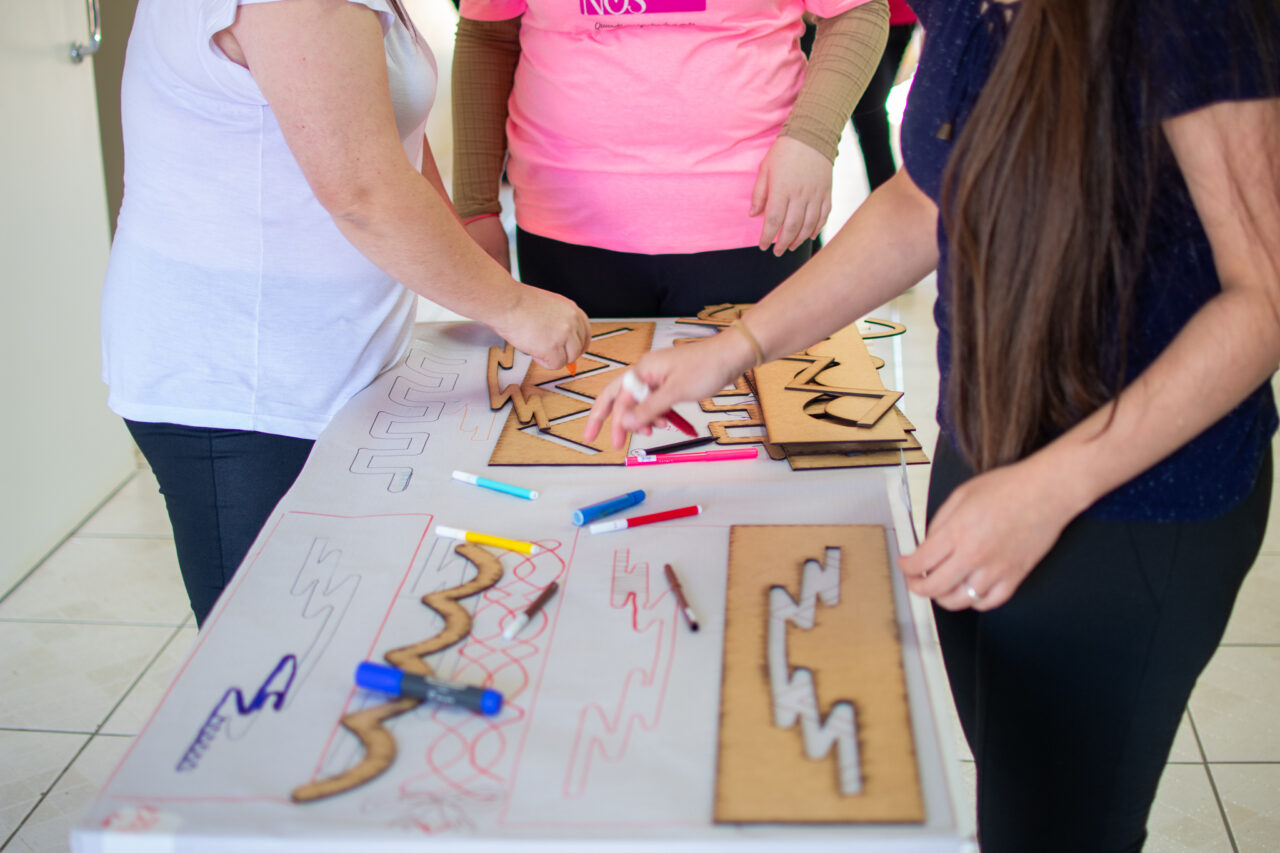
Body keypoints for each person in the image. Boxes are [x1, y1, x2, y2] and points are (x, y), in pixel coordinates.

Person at [584, 0, 1280, 849]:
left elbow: (1264, 297)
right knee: (1014, 792)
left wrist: (1051, 484)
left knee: (1060, 826)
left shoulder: (1190, 18)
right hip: (987, 451)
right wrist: (739, 347)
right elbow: (922, 202)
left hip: (1136, 497)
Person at [101, 0, 589, 627]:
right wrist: (514, 305)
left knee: (339, 626)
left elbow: (390, 145)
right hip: (242, 383)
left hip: (323, 366)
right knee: (268, 656)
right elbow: (363, 192)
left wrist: (482, 278)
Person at [450, 0, 891, 318]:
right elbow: (488, 34)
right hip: (565, 220)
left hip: (755, 215)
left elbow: (857, 10)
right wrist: (475, 206)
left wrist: (812, 139)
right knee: (582, 430)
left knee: (747, 428)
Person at [850, 0, 916, 190]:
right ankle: (889, 200)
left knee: (870, 116)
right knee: (870, 118)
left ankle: (890, 202)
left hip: (896, 17)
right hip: (859, 16)